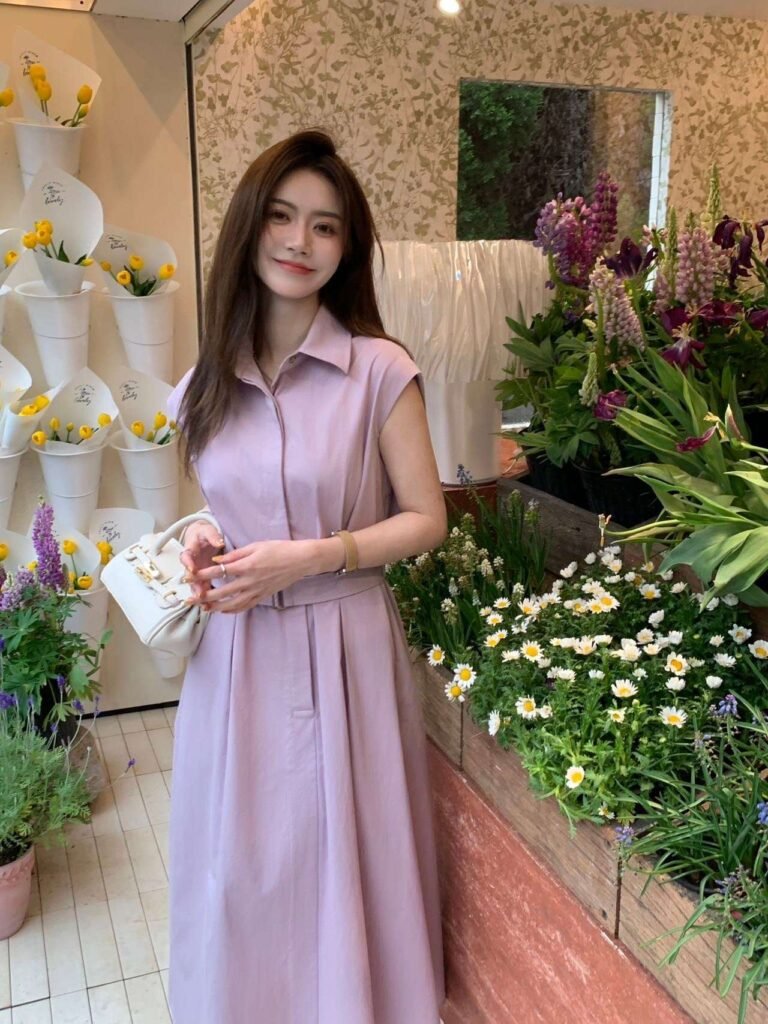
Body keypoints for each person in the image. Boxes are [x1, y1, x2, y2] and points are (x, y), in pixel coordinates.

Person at [166, 129, 448, 1023]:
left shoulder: (380, 370)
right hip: (237, 662)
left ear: (346, 247)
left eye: (325, 226)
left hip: (345, 648)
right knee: (242, 868)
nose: (299, 241)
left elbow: (427, 519)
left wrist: (316, 552)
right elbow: (226, 501)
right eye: (282, 217)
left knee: (347, 857)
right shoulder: (203, 385)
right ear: (249, 228)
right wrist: (205, 538)